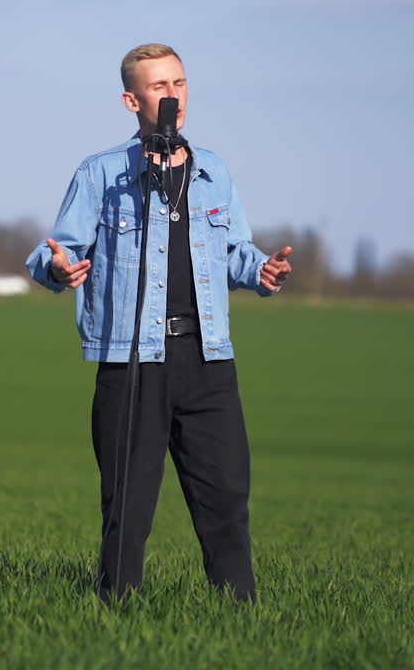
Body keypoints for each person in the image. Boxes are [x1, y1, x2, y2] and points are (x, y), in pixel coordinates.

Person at [24, 43, 292, 602]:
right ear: (131, 99)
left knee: (225, 501)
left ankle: (238, 615)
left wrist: (261, 269)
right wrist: (57, 267)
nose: (173, 96)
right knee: (128, 506)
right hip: (132, 360)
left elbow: (234, 250)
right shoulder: (102, 173)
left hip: (207, 359)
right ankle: (117, 612)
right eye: (159, 87)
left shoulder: (213, 170)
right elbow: (52, 252)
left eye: (180, 84)